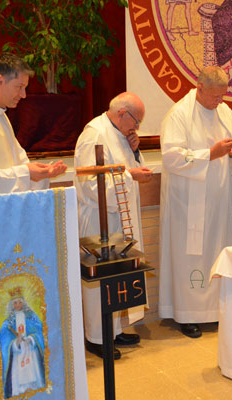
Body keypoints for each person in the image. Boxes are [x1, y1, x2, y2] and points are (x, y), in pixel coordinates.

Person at [159, 66, 232, 338]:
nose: (218, 102)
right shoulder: (179, 114)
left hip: (218, 199)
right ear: (199, 87)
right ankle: (188, 315)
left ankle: (216, 310)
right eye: (214, 96)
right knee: (190, 256)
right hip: (189, 202)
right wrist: (210, 153)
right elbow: (171, 157)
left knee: (217, 248)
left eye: (222, 95)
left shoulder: (224, 111)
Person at [74, 92, 153, 359]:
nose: (136, 127)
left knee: (117, 276)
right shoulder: (94, 135)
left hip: (119, 219)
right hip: (98, 219)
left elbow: (125, 169)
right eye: (136, 121)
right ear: (122, 113)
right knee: (101, 279)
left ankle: (114, 329)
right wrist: (130, 176)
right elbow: (89, 186)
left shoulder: (118, 133)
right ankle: (96, 337)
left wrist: (134, 151)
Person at [0, 53, 66, 196]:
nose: (23, 94)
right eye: (19, 87)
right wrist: (26, 173)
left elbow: (20, 162)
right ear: (0, 81)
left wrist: (41, 173)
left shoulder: (1, 116)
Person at [0, 290, 46, 398]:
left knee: (34, 373)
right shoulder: (8, 322)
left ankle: (36, 391)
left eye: (20, 302)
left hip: (31, 350)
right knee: (19, 377)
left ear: (23, 303)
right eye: (15, 303)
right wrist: (16, 343)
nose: (18, 305)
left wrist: (31, 338)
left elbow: (40, 331)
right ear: (11, 305)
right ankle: (19, 393)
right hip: (18, 353)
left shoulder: (32, 317)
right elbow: (5, 341)